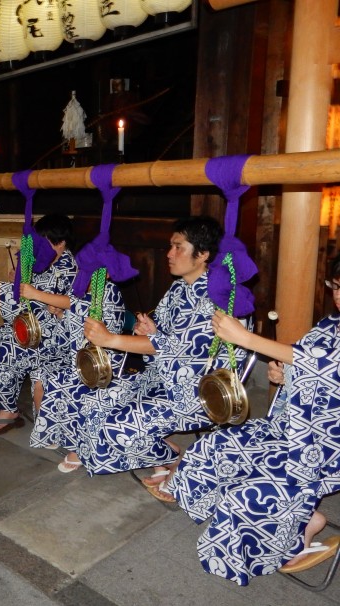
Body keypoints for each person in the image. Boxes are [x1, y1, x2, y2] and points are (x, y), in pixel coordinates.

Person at [167, 255, 340, 585]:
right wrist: (284, 373)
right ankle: (230, 509)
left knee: (248, 495)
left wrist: (248, 340)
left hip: (325, 447)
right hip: (293, 426)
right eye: (336, 286)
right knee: (216, 443)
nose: (338, 296)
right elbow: (304, 359)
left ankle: (292, 536)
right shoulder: (329, 325)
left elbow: (326, 366)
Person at [82, 216, 251, 494]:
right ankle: (167, 455)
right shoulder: (179, 287)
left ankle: (177, 460)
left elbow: (172, 347)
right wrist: (149, 327)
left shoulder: (215, 295)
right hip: (163, 376)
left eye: (178, 247)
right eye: (170, 246)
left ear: (203, 254)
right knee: (94, 403)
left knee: (117, 427)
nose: (169, 254)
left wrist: (111, 339)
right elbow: (160, 333)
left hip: (199, 391)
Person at [0, 214, 79, 436]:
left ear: (61, 242)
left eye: (46, 240)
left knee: (6, 351)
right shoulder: (42, 261)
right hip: (30, 325)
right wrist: (15, 279)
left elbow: (50, 300)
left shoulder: (69, 268)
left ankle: (9, 409)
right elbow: (25, 295)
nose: (40, 245)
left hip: (52, 335)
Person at [28, 270, 126, 472]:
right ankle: (52, 432)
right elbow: (69, 332)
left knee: (67, 385)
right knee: (41, 376)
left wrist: (52, 299)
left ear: (107, 275)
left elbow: (105, 334)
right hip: (77, 358)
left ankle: (79, 447)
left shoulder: (110, 292)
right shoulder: (79, 292)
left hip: (101, 362)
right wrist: (61, 314)